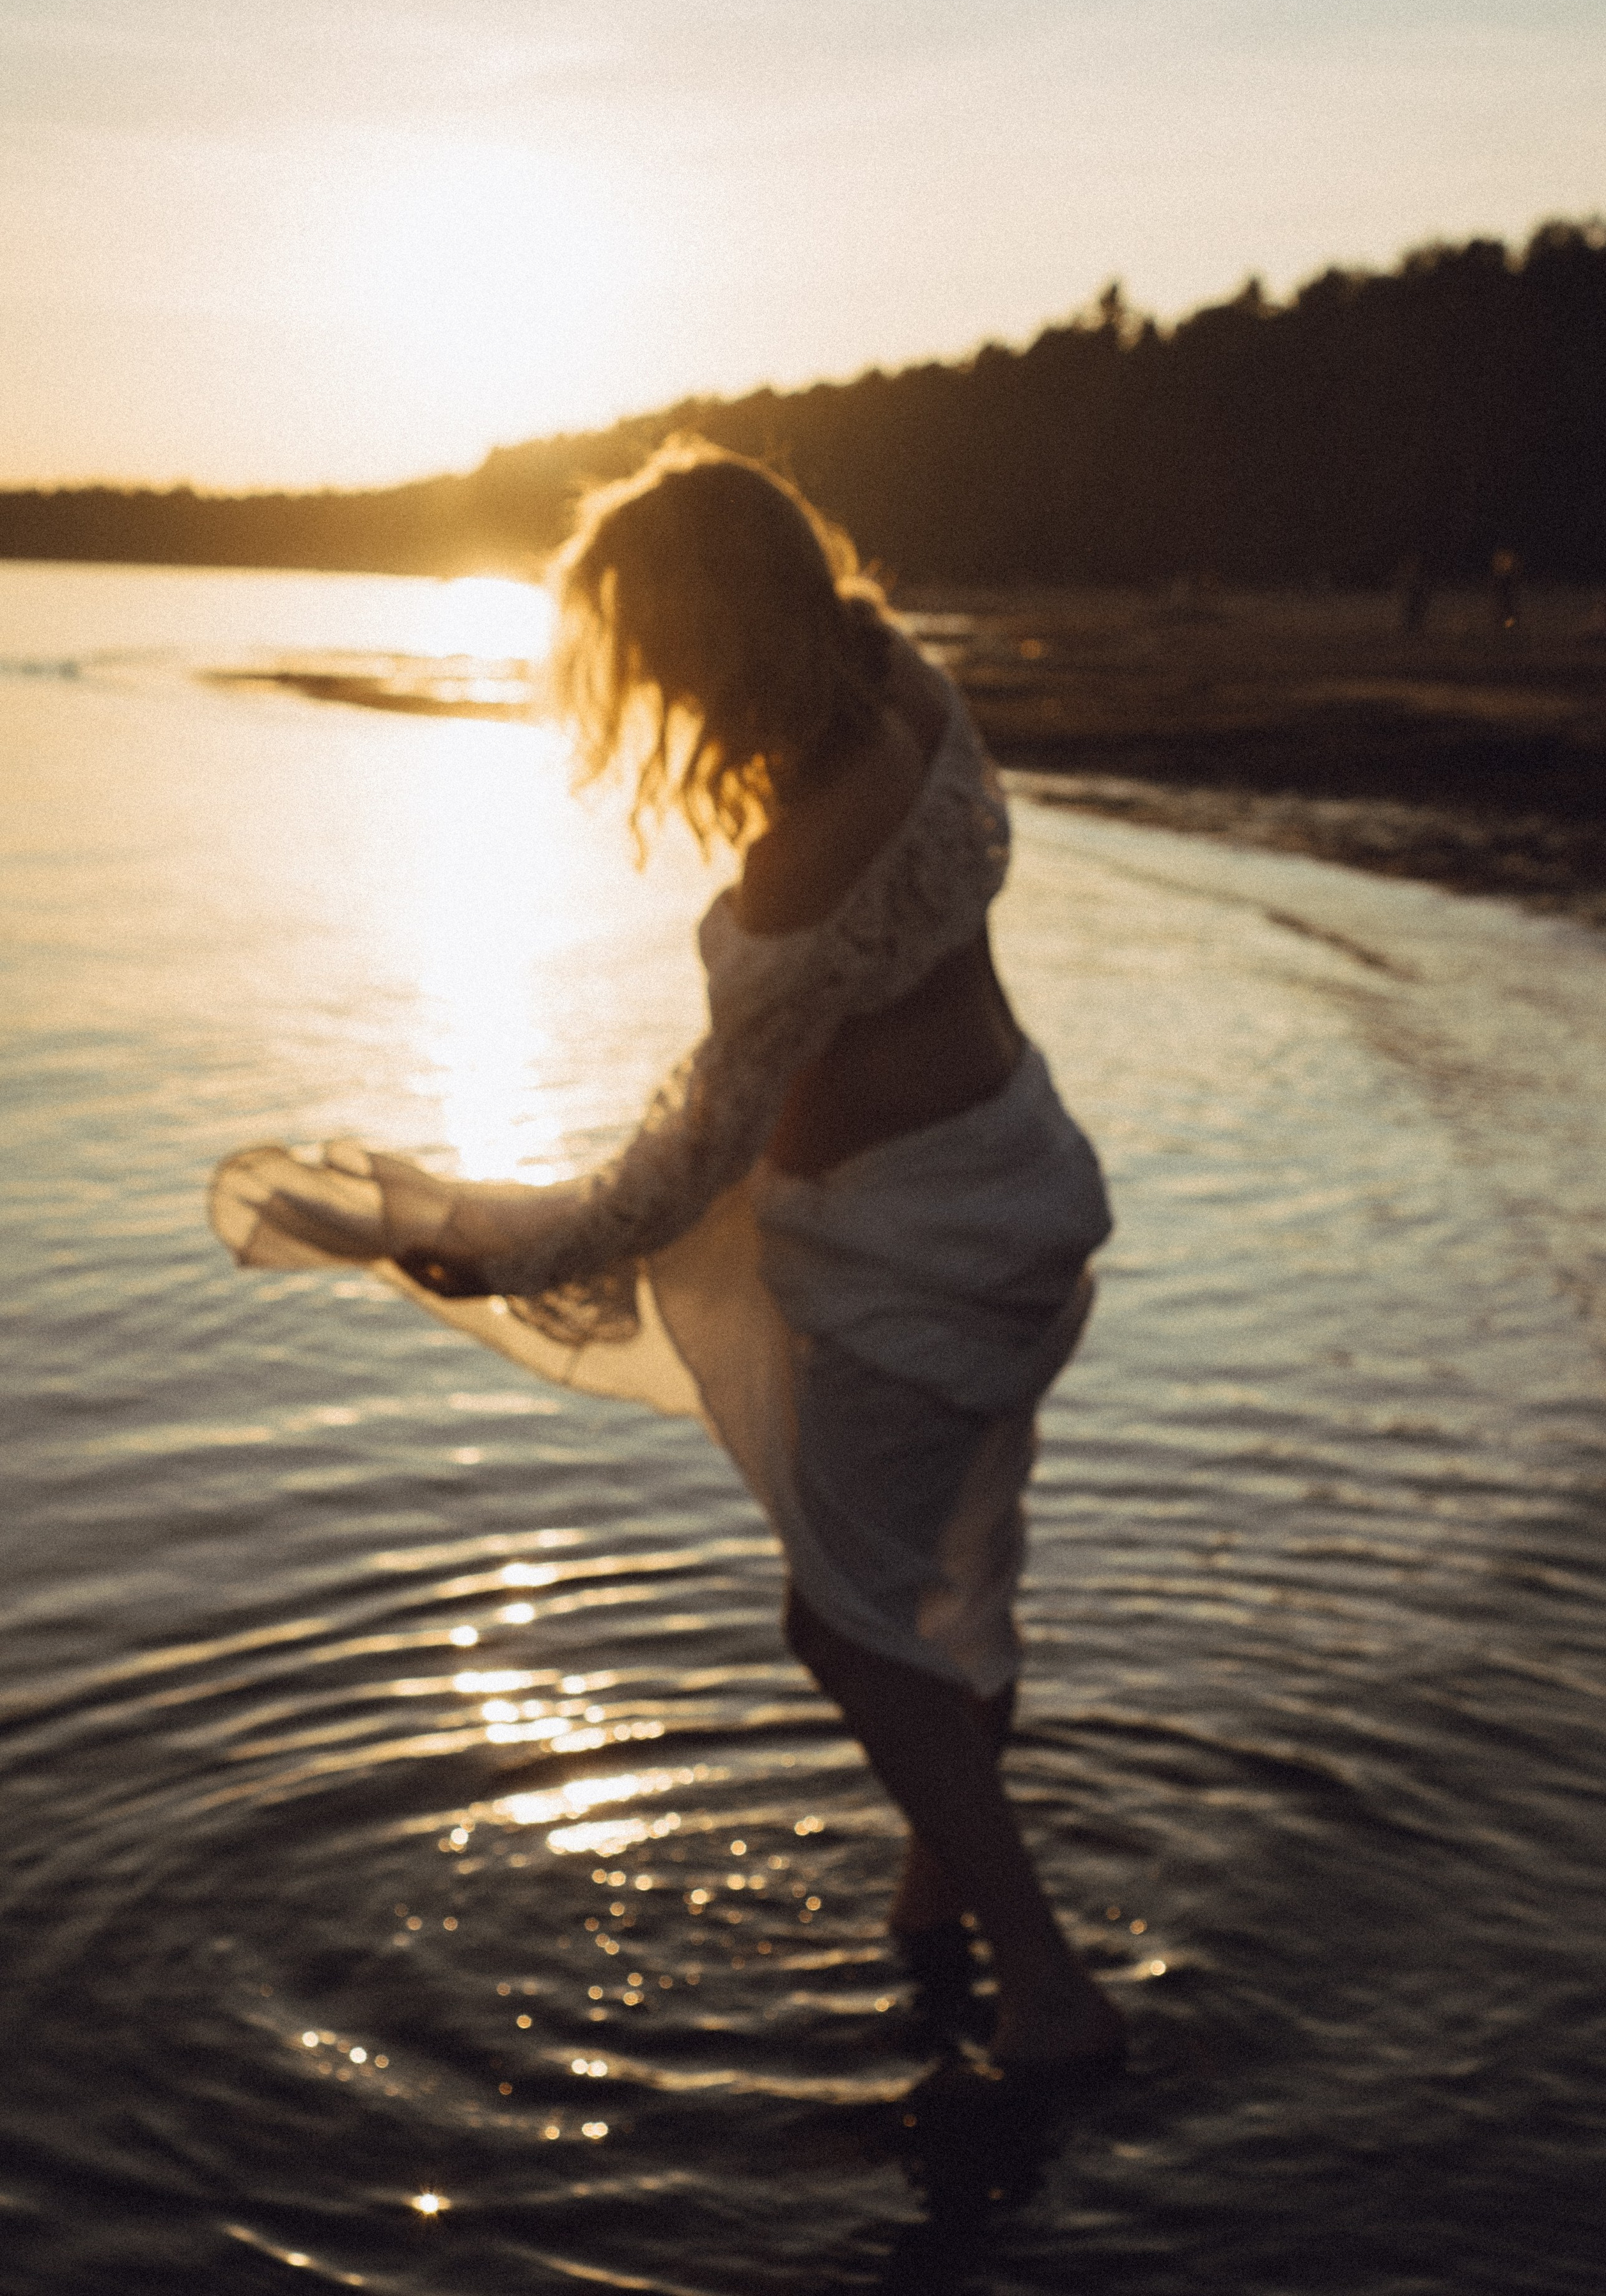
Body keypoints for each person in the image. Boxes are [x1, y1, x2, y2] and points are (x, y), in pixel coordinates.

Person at [211, 439, 1125, 2100]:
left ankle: (1047, 1985)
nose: (651, 687)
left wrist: (512, 1250)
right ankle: (936, 1913)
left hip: (914, 1259)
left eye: (651, 646)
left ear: (710, 632)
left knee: (849, 1633)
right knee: (944, 1584)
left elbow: (695, 1154)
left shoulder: (807, 854)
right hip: (1019, 1181)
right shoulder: (910, 694)